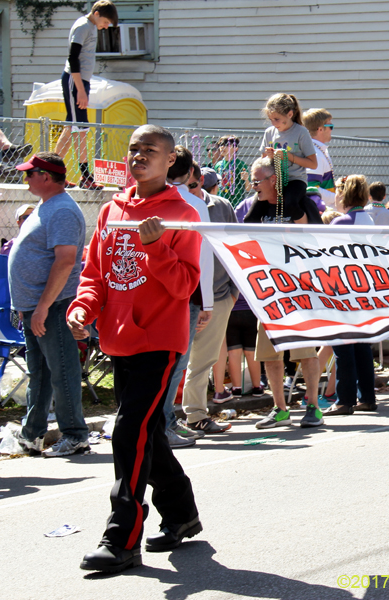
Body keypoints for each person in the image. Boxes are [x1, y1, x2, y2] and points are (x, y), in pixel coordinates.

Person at [68, 124, 202, 573]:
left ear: (170, 162)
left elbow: (185, 285)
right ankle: (182, 513)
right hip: (118, 338)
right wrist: (84, 308)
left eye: (150, 150)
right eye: (133, 149)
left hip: (159, 341)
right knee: (146, 434)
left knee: (128, 433)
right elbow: (95, 274)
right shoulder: (111, 210)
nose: (139, 156)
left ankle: (122, 539)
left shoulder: (182, 215)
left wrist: (156, 247)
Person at [7, 153, 88, 458]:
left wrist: (42, 306)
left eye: (30, 174)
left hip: (53, 306)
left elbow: (66, 260)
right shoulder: (48, 206)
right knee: (40, 373)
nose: (25, 179)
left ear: (46, 176)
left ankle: (75, 435)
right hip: (37, 307)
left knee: (62, 371)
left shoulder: (63, 210)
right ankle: (32, 435)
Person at [246, 156, 323, 429]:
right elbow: (242, 232)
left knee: (304, 350)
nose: (252, 185)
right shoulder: (259, 207)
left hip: (298, 288)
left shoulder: (300, 203)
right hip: (268, 290)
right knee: (269, 353)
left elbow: (313, 237)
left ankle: (312, 405)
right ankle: (279, 408)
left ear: (274, 180)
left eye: (257, 180)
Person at [160, 147, 217, 448]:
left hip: (153, 289)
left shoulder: (143, 199)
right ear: (190, 172)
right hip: (187, 290)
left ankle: (159, 422)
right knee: (176, 361)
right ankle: (164, 424)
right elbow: (203, 254)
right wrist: (206, 303)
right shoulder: (194, 203)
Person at [180, 162, 238, 435]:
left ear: (201, 180)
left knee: (203, 361)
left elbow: (235, 248)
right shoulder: (174, 205)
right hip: (182, 298)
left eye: (192, 185)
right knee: (174, 362)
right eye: (181, 187)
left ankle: (195, 416)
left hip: (217, 296)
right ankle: (167, 419)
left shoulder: (222, 206)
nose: (188, 192)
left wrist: (233, 292)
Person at [323, 175, 378, 414]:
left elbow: (327, 260)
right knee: (362, 347)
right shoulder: (371, 221)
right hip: (366, 291)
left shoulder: (341, 223)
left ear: (344, 194)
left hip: (343, 292)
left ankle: (344, 399)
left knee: (343, 347)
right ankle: (366, 396)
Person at [53, 0, 118, 190]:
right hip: (76, 81)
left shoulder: (90, 26)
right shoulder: (83, 26)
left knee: (70, 128)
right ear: (97, 13)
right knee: (80, 129)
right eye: (106, 22)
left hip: (81, 81)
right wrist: (80, 89)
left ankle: (50, 170)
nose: (106, 27)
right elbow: (73, 57)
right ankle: (86, 176)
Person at [256, 93, 317, 224]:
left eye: (276, 119)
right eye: (270, 119)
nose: (273, 123)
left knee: (290, 204)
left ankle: (304, 233)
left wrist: (289, 157)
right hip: (273, 180)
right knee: (252, 213)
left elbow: (313, 164)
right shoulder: (269, 132)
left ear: (290, 114)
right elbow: (263, 162)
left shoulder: (301, 132)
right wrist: (268, 156)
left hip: (295, 179)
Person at [302, 107, 336, 211]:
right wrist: (339, 198)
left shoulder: (318, 150)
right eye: (330, 126)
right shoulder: (315, 153)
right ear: (320, 129)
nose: (332, 129)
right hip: (319, 212)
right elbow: (312, 188)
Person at [212, 136, 248, 207]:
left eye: (226, 145)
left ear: (235, 148)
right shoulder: (218, 165)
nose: (222, 147)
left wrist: (246, 179)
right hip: (221, 200)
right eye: (221, 145)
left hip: (236, 202)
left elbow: (248, 188)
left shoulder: (240, 164)